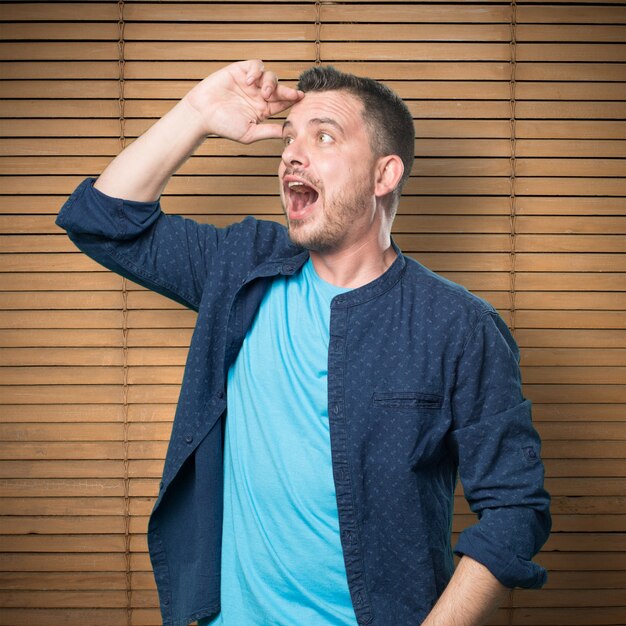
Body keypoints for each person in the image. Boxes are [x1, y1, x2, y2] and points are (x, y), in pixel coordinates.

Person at [56, 60, 551, 626]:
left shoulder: (458, 325)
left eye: (323, 136)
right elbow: (100, 220)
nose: (292, 152)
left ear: (383, 175)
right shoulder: (240, 265)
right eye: (289, 138)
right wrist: (195, 113)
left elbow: (515, 507)